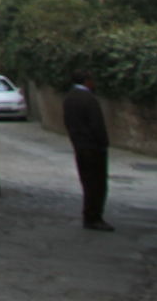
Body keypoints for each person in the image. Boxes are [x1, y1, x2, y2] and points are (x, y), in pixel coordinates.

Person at [63, 71, 114, 230]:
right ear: (87, 81)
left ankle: (90, 215)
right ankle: (94, 216)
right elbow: (97, 125)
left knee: (87, 182)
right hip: (93, 147)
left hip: (79, 145)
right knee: (97, 184)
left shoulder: (69, 98)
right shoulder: (89, 99)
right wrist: (103, 143)